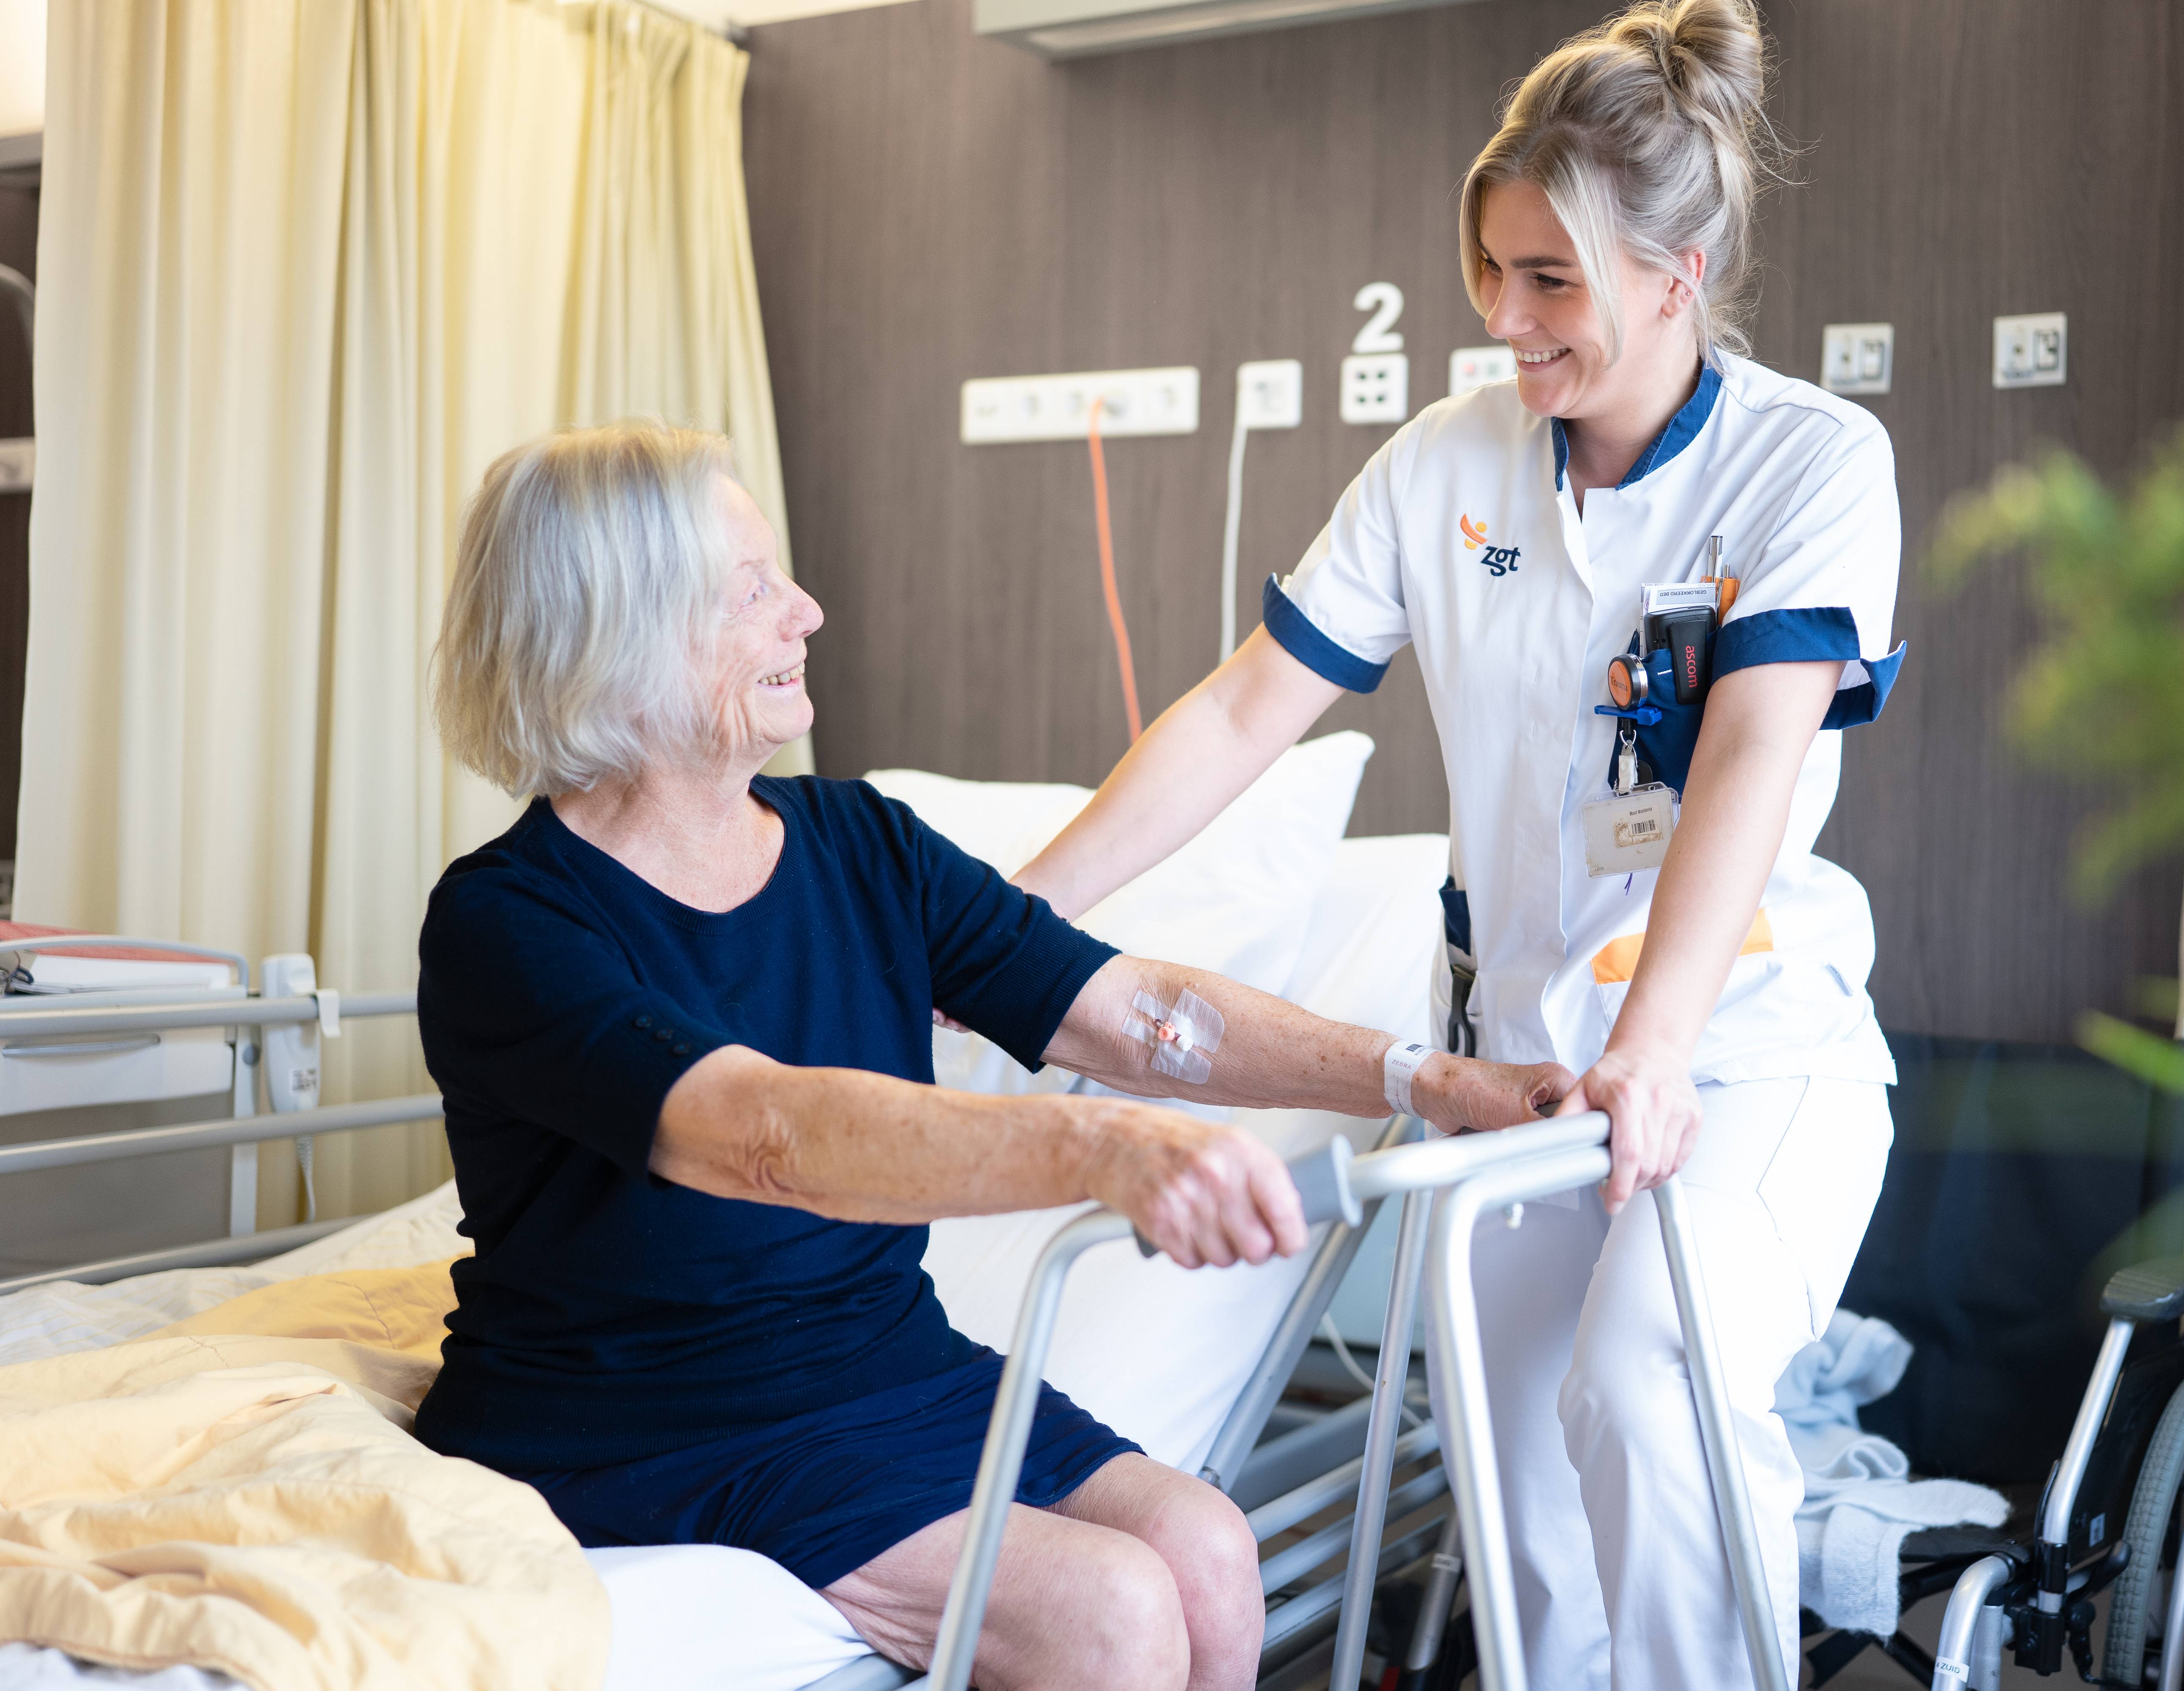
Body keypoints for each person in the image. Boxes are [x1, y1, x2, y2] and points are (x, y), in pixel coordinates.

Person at [1010, 3, 1905, 1684]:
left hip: (1742, 1055)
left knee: (1651, 1382)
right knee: (1524, 1510)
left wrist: (1651, 1052)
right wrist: (1002, 910)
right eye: (1491, 269)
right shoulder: (1446, 468)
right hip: (1518, 1070)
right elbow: (1241, 712)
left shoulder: (1811, 464)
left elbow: (1751, 762)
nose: (1505, 319)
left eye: (1550, 280)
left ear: (1676, 269)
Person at [411, 421, 1568, 1691]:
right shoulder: (510, 923)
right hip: (651, 1410)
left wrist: (1429, 1079)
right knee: (1114, 1613)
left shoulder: (859, 843)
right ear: (616, 634)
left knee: (1211, 1549)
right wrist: (1101, 1146)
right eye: (751, 589)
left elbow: (1129, 1011)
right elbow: (762, 1133)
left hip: (879, 1359)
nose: (806, 609)